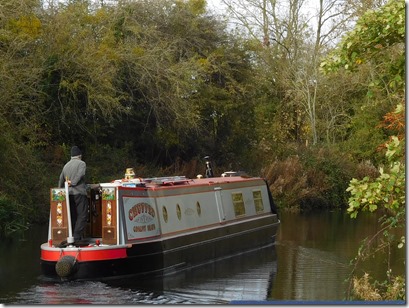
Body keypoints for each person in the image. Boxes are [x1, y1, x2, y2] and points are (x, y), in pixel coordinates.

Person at [58, 146, 88, 241]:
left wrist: (60, 190)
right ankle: (76, 236)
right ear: (80, 155)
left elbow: (61, 179)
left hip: (68, 194)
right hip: (79, 193)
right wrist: (73, 182)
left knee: (72, 215)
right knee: (82, 215)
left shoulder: (66, 165)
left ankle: (71, 236)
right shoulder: (81, 163)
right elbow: (81, 174)